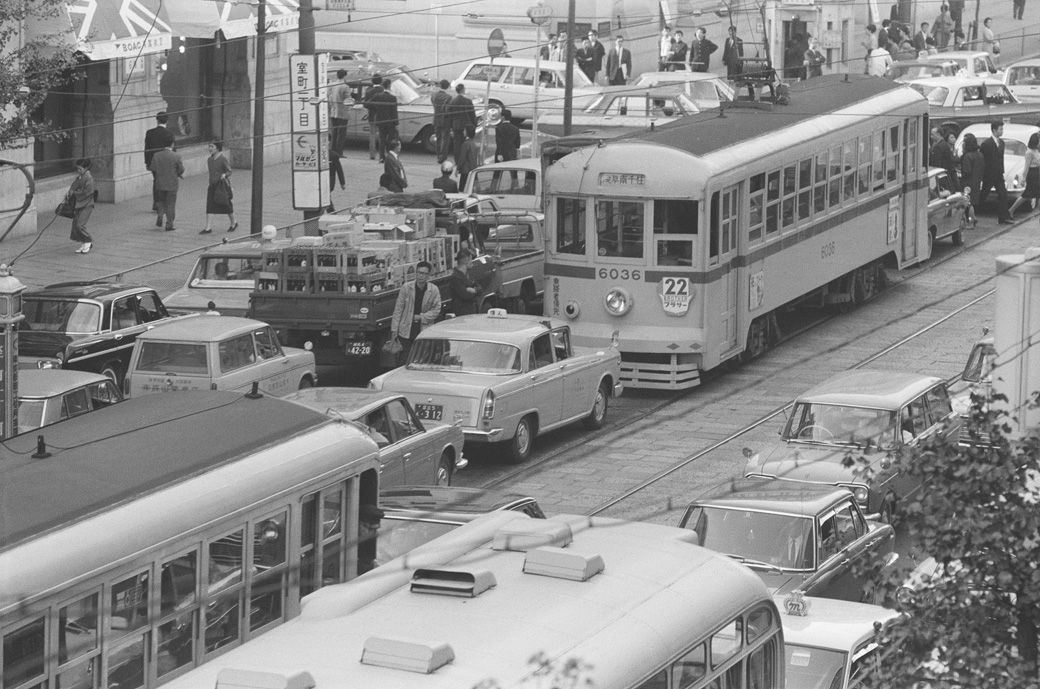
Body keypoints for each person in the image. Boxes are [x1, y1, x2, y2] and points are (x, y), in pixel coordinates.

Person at [390, 260, 442, 361]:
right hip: (405, 330)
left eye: (424, 273)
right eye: (419, 273)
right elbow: (398, 310)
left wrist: (421, 317)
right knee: (404, 359)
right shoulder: (406, 288)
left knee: (421, 359)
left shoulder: (433, 290)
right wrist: (394, 330)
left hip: (423, 330)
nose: (420, 276)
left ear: (428, 275)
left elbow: (436, 309)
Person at [980, 120, 1013, 223]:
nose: (1002, 131)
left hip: (999, 174)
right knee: (983, 195)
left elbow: (1000, 158)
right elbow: (983, 160)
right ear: (994, 130)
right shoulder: (986, 144)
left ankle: (1003, 217)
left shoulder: (1001, 143)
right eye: (1000, 129)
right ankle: (971, 212)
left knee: (1003, 195)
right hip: (989, 174)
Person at [202, 140, 237, 234]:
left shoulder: (222, 159)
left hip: (221, 186)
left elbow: (229, 171)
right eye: (209, 146)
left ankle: (233, 223)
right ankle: (208, 228)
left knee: (226, 205)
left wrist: (224, 175)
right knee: (210, 206)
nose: (210, 149)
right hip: (212, 185)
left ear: (217, 148)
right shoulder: (209, 159)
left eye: (212, 147)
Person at [144, 112, 175, 213]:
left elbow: (147, 149)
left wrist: (147, 163)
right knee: (164, 182)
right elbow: (174, 149)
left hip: (154, 162)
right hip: (166, 162)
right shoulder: (169, 133)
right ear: (167, 121)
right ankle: (162, 204)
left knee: (156, 181)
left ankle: (156, 203)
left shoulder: (150, 133)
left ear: (157, 120)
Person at [151, 141, 184, 231]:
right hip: (171, 184)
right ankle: (169, 224)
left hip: (160, 183)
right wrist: (177, 173)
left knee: (161, 201)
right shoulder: (176, 156)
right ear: (172, 144)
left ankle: (160, 214)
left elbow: (153, 168)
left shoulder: (156, 155)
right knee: (170, 204)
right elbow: (181, 170)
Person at [67, 158, 95, 254]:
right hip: (79, 204)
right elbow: (74, 185)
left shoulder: (88, 178)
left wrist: (75, 193)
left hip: (87, 204)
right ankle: (84, 243)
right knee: (76, 224)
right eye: (77, 169)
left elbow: (88, 192)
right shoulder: (80, 177)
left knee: (80, 225)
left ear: (86, 168)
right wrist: (71, 191)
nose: (78, 171)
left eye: (80, 169)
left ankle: (88, 240)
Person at [369, 77, 399, 164]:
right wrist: (396, 122)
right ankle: (390, 157)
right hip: (390, 121)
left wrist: (377, 109)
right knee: (391, 140)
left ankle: (381, 157)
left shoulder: (377, 96)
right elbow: (394, 111)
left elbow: (368, 103)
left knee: (382, 139)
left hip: (380, 120)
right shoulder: (392, 98)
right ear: (389, 86)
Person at [1010, 132, 1040, 217]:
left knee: (1030, 194)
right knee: (1026, 195)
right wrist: (1023, 178)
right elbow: (1026, 167)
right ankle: (1011, 210)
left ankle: (1011, 210)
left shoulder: (1037, 151)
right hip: (1032, 175)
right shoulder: (1029, 153)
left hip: (1037, 174)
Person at [449, 83, 478, 165]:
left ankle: (457, 161)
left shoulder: (453, 101)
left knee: (457, 144)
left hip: (456, 125)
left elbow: (449, 115)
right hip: (467, 125)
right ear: (463, 90)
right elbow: (472, 114)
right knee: (467, 144)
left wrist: (451, 127)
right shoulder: (468, 101)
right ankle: (465, 160)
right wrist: (474, 125)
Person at [960, 132, 984, 221]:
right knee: (972, 202)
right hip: (977, 181)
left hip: (967, 183)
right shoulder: (980, 154)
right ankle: (973, 217)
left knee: (968, 202)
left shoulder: (967, 156)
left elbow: (967, 171)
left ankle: (971, 220)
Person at [328, 69, 353, 153]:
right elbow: (348, 101)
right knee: (341, 134)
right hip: (342, 113)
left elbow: (329, 97)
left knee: (334, 133)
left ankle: (332, 150)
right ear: (345, 76)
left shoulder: (332, 85)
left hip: (333, 111)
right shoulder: (345, 87)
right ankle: (339, 152)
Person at [449, 249, 479, 316]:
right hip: (462, 313)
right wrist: (475, 292)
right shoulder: (455, 278)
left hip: (472, 311)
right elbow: (465, 296)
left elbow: (480, 288)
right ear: (466, 260)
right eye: (471, 259)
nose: (472, 262)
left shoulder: (469, 274)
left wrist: (474, 290)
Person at [361, 75, 384, 161]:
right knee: (382, 135)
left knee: (372, 135)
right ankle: (382, 154)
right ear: (381, 81)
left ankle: (372, 154)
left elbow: (365, 104)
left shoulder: (368, 90)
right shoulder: (382, 90)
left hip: (372, 114)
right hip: (382, 115)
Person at [357, 504, 384, 575]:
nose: (375, 534)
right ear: (359, 524)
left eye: (375, 530)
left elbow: (367, 562)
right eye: (370, 529)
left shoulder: (366, 540)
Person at [432, 79, 453, 164]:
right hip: (445, 120)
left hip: (436, 119)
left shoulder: (434, 95)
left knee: (438, 138)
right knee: (445, 139)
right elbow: (447, 110)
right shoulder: (448, 97)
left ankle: (438, 155)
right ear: (447, 87)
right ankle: (443, 157)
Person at [457, 126, 480, 191]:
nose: (463, 132)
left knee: (462, 188)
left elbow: (462, 158)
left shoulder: (465, 144)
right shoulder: (473, 144)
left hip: (465, 170)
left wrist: (458, 168)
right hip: (472, 168)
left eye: (464, 130)